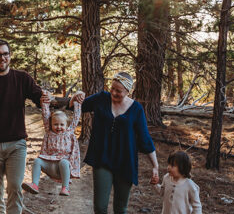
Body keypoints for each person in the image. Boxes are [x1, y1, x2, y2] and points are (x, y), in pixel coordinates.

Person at [81, 72, 160, 214]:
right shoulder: (101, 98)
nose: (113, 93)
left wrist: (155, 166)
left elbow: (145, 138)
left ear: (128, 91)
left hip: (125, 163)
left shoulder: (136, 109)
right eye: (112, 88)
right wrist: (75, 97)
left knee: (120, 208)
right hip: (102, 158)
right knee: (100, 207)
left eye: (118, 91)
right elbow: (79, 105)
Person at [22, 94, 82, 196]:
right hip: (49, 165)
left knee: (64, 162)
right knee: (37, 161)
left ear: (66, 125)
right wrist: (45, 102)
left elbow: (76, 117)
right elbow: (45, 115)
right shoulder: (49, 132)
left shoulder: (69, 132)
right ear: (51, 124)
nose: (58, 127)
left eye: (62, 124)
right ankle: (35, 185)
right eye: (55, 124)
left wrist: (77, 103)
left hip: (61, 168)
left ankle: (65, 188)